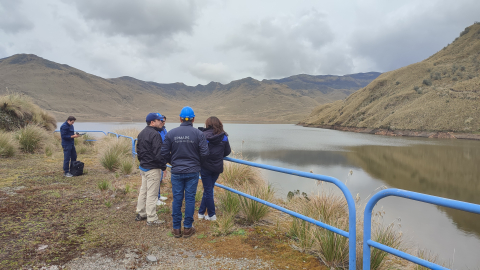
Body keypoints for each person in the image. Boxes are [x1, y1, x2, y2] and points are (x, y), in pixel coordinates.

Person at [161, 106, 209, 238]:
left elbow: (164, 153)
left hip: (176, 171)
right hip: (192, 172)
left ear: (180, 118)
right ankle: (187, 228)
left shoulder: (171, 133)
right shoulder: (199, 134)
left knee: (177, 199)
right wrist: (196, 163)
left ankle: (176, 228)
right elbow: (205, 153)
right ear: (193, 119)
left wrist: (173, 162)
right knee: (190, 199)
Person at [135, 113, 168, 226]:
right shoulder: (155, 135)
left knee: (143, 191)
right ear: (152, 122)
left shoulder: (142, 133)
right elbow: (158, 154)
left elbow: (138, 151)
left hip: (144, 167)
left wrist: (142, 162)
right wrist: (163, 167)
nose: (161, 122)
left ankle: (141, 213)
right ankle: (152, 218)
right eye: (159, 120)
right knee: (152, 194)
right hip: (153, 168)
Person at [198, 116, 231, 221]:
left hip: (205, 167)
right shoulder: (224, 136)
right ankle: (201, 213)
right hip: (217, 168)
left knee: (208, 190)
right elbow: (227, 152)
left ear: (208, 124)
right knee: (209, 190)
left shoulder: (202, 135)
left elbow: (199, 151)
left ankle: (212, 215)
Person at [155, 115, 168, 206]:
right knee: (156, 178)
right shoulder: (155, 131)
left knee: (159, 177)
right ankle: (155, 198)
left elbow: (167, 139)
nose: (162, 123)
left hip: (162, 155)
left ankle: (158, 195)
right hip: (157, 157)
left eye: (164, 121)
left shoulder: (164, 130)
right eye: (161, 121)